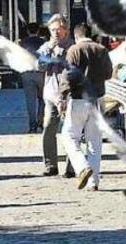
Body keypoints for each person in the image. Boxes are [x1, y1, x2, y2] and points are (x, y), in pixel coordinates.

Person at [60, 24, 113, 191]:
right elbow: (109, 73)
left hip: (78, 99)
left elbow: (68, 75)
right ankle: (93, 182)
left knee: (69, 136)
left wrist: (62, 95)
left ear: (76, 36)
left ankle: (82, 166)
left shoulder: (74, 50)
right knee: (94, 142)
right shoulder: (102, 50)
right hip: (97, 99)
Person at [38, 14, 74, 177]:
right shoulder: (46, 46)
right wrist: (48, 50)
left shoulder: (73, 46)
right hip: (51, 94)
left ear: (65, 30)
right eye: (52, 30)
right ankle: (50, 164)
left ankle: (72, 166)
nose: (55, 33)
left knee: (71, 131)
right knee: (48, 128)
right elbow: (39, 66)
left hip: (70, 94)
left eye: (58, 30)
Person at [20, 23, 46, 133]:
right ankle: (41, 122)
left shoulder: (22, 43)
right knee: (43, 99)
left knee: (30, 101)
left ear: (27, 31)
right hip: (41, 72)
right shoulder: (44, 43)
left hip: (27, 73)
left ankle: (32, 126)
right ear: (38, 31)